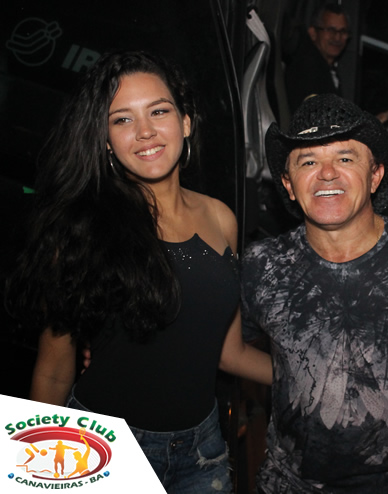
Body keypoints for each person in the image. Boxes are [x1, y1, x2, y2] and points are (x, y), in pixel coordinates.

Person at [5, 51, 271, 493]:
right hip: (100, 449)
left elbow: (229, 353)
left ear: (186, 122)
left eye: (159, 111)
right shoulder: (83, 229)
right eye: (123, 119)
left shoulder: (221, 217)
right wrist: (31, 479)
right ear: (107, 141)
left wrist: (312, 377)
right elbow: (53, 370)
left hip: (203, 452)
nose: (145, 131)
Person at [241, 93, 388, 493]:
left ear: (375, 176)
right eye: (308, 162)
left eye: (345, 158)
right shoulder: (262, 265)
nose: (327, 174)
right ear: (288, 185)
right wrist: (297, 373)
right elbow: (231, 351)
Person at [284, 2, 349, 114]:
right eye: (331, 30)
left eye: (342, 31)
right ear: (313, 33)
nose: (337, 37)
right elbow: (317, 118)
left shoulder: (329, 69)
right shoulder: (306, 68)